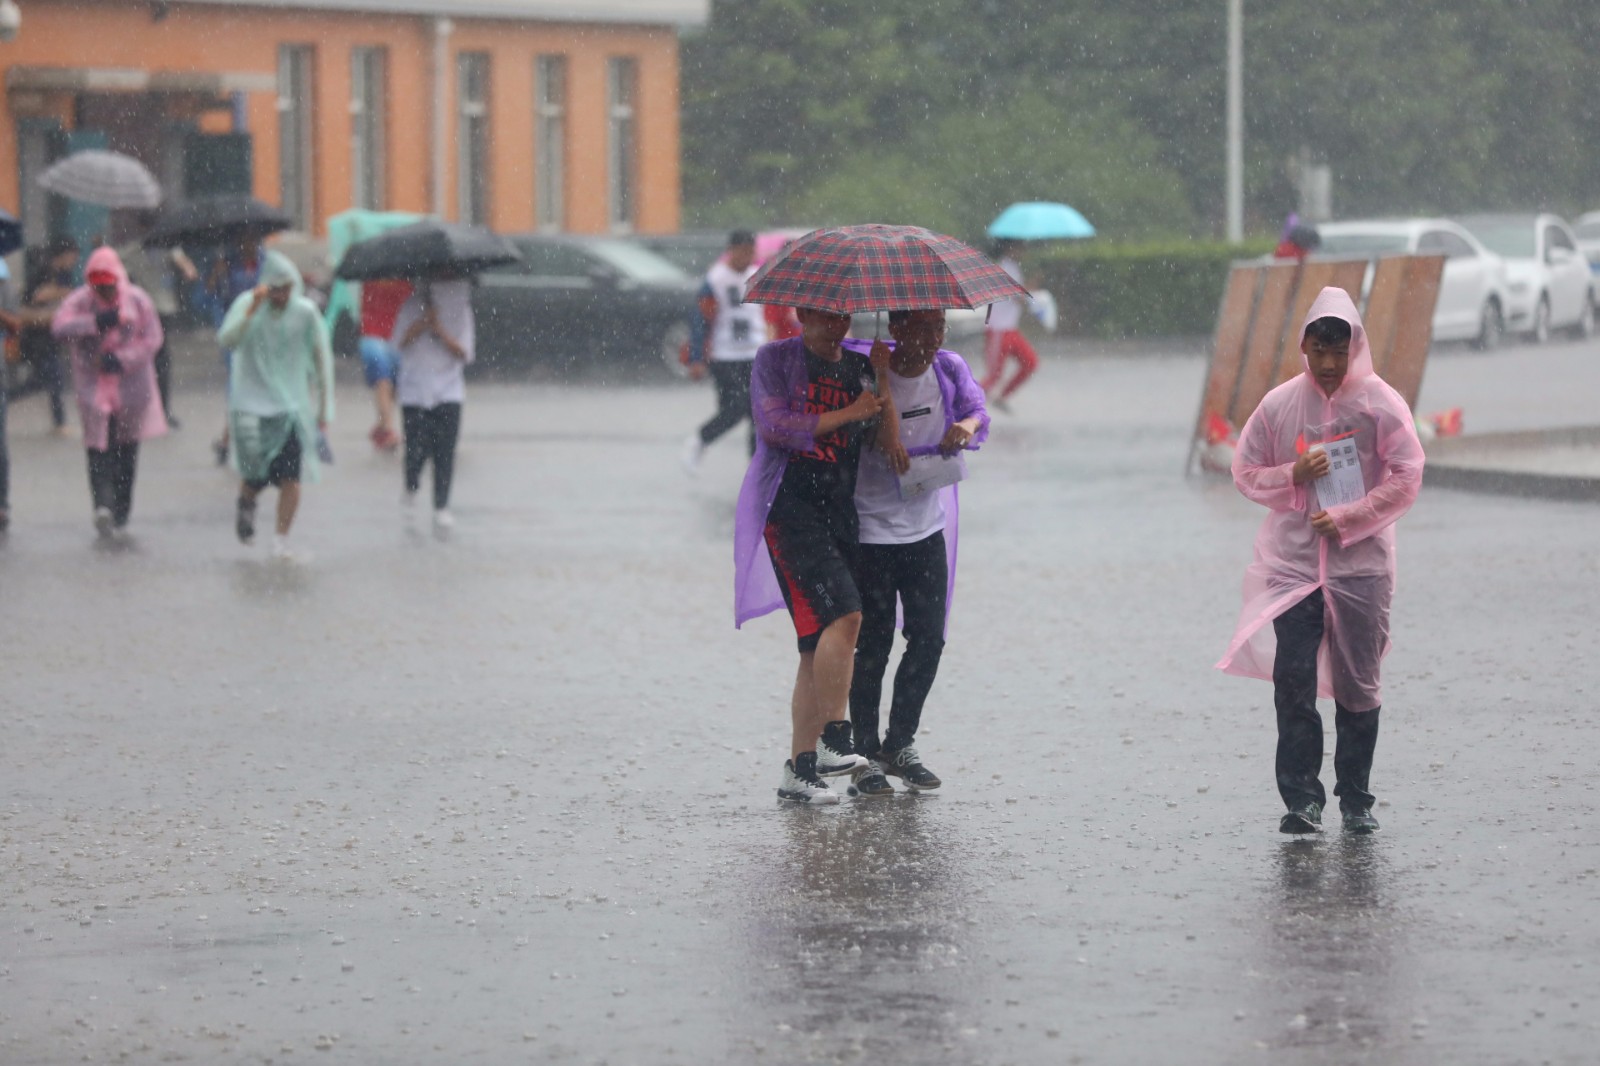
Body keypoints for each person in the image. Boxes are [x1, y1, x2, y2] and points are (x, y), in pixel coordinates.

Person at [1217, 287, 1424, 835]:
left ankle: (1355, 797)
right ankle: (1302, 799)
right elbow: (1245, 470)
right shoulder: (1281, 405)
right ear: (1304, 347)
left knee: (1360, 684)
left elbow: (1407, 474)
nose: (1329, 365)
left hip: (1362, 570)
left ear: (1355, 346)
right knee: (1294, 679)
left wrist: (1354, 517)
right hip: (1295, 568)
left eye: (1340, 351)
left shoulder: (1381, 404)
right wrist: (1293, 476)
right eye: (1319, 351)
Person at [734, 307, 887, 804]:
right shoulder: (774, 359)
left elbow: (880, 441)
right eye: (824, 316)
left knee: (814, 644)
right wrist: (849, 412)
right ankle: (833, 739)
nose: (836, 325)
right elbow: (775, 425)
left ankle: (798, 772)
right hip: (790, 508)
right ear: (801, 313)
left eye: (843, 316)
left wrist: (882, 381)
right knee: (846, 615)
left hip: (840, 510)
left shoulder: (862, 367)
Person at [843, 309, 989, 795]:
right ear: (898, 327)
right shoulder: (864, 372)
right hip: (871, 529)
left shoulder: (948, 367)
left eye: (939, 329)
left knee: (929, 638)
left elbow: (977, 410)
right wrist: (882, 377)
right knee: (873, 644)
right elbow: (881, 442)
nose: (932, 339)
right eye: (922, 328)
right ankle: (864, 752)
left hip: (925, 528)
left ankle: (899, 742)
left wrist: (965, 427)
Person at [219, 251, 334, 560]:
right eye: (276, 289)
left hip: (290, 407)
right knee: (257, 474)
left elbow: (321, 358)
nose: (281, 295)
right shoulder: (248, 305)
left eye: (287, 288)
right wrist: (252, 310)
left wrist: (324, 408)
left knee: (290, 478)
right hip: (252, 405)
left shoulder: (306, 313)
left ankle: (280, 540)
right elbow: (228, 341)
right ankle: (246, 502)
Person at [49, 246, 167, 538]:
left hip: (130, 391)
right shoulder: (80, 301)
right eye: (97, 286)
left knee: (127, 451)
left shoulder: (138, 301)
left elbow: (153, 339)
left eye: (108, 285)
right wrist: (93, 324)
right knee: (97, 448)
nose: (103, 291)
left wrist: (123, 359)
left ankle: (122, 511)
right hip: (93, 390)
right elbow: (59, 328)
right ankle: (103, 506)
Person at [681, 230, 768, 474]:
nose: (748, 257)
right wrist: (697, 357)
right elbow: (699, 320)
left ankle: (756, 467)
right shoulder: (715, 279)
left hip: (755, 352)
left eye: (752, 252)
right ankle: (700, 439)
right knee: (736, 407)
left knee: (757, 413)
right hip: (724, 354)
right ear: (731, 251)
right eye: (743, 252)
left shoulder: (757, 275)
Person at [392, 276, 472, 529]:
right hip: (415, 390)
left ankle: (441, 505)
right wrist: (420, 325)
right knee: (415, 449)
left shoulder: (462, 310)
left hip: (449, 391)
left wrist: (439, 330)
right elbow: (397, 344)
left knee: (445, 452)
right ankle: (411, 488)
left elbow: (465, 353)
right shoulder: (409, 306)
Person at [200, 232, 264, 465]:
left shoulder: (267, 264)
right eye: (243, 240)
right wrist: (217, 274)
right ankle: (230, 439)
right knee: (238, 382)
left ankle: (232, 438)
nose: (247, 244)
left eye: (251, 240)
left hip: (261, 333)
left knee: (255, 383)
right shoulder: (226, 264)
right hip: (235, 331)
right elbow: (207, 298)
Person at [12, 239, 78, 435]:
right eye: (73, 256)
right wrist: (58, 294)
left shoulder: (61, 274)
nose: (74, 260)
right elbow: (33, 298)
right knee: (51, 377)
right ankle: (60, 422)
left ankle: (59, 422)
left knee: (42, 380)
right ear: (64, 254)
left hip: (48, 335)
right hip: (37, 336)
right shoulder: (43, 271)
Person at [979, 238, 1039, 412]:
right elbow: (1019, 297)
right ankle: (965, 405)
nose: (1023, 251)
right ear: (1009, 247)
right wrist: (1033, 287)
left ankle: (1002, 396)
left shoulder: (1014, 267)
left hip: (1010, 330)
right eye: (1020, 246)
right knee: (992, 377)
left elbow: (1020, 296)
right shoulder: (1002, 267)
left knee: (1031, 362)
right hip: (997, 330)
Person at [358, 279, 411, 451]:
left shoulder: (406, 279)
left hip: (396, 336)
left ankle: (382, 424)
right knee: (383, 380)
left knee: (393, 384)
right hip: (373, 334)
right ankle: (388, 427)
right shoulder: (372, 276)